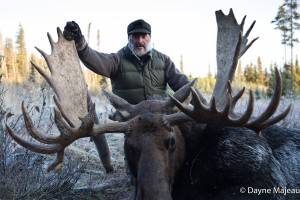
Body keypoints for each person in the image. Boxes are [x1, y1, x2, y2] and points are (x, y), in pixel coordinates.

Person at [63, 19, 190, 105]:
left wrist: (204, 107)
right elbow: (97, 60)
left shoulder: (164, 60)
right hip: (131, 120)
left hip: (159, 117)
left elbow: (184, 86)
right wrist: (81, 44)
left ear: (149, 37)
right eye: (135, 36)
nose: (140, 40)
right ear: (128, 38)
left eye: (143, 36)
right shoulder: (117, 60)